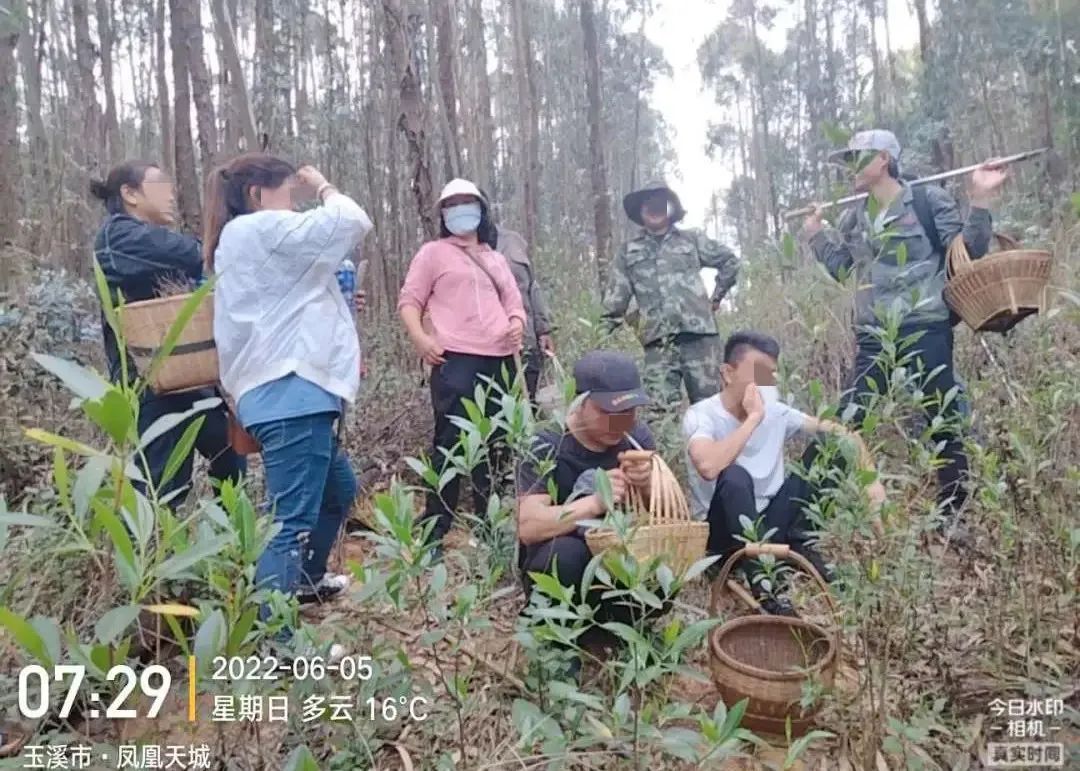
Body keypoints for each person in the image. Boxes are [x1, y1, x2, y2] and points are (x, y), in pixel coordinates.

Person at [800, 129, 1007, 527]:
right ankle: (809, 510)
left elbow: (969, 253)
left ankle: (954, 514)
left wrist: (980, 200)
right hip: (876, 333)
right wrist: (815, 237)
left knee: (942, 415)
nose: (851, 169)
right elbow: (847, 269)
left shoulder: (929, 202)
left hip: (926, 325)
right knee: (851, 414)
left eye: (858, 159)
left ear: (883, 160)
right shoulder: (852, 216)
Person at [206, 153, 372, 620]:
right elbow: (352, 219)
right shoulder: (257, 229)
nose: (293, 205)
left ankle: (304, 581)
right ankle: (275, 636)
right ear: (258, 194)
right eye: (287, 193)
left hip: (294, 394)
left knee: (339, 492)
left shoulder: (246, 237)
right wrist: (322, 186)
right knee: (290, 521)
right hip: (290, 395)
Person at [683, 331, 885, 612]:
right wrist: (753, 419)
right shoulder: (702, 415)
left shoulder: (776, 411)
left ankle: (799, 541)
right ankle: (766, 589)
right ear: (728, 374)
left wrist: (872, 483)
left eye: (769, 375)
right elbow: (708, 466)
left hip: (770, 525)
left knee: (830, 446)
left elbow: (843, 435)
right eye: (757, 374)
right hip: (724, 535)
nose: (764, 385)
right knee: (735, 476)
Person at [90, 161, 244, 505]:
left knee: (230, 455)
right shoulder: (119, 236)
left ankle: (233, 543)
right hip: (146, 382)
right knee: (162, 484)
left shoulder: (148, 238)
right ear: (129, 194)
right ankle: (152, 554)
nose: (171, 194)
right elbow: (195, 255)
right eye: (160, 184)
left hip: (183, 375)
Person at [398, 178, 527, 554]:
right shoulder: (433, 254)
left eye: (467, 202)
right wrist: (422, 339)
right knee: (451, 445)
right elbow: (410, 300)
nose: (460, 209)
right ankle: (436, 529)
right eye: (451, 204)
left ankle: (489, 527)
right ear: (443, 213)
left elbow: (513, 300)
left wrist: (517, 324)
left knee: (496, 445)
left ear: (481, 208)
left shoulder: (494, 256)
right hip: (456, 360)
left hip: (500, 360)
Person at [516, 350, 656, 629]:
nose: (619, 423)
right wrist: (594, 503)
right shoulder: (547, 443)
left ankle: (622, 629)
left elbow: (659, 518)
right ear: (579, 402)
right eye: (608, 412)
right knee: (565, 556)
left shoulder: (637, 439)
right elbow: (529, 526)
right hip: (561, 564)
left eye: (628, 412)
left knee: (660, 559)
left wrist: (648, 485)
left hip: (617, 558)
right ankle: (558, 641)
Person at [601, 180, 740, 415]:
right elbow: (615, 303)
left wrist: (716, 297)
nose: (654, 209)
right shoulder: (628, 252)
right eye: (648, 204)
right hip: (658, 345)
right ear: (641, 211)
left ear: (669, 208)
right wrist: (598, 343)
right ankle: (668, 453)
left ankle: (716, 452)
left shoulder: (691, 239)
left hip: (700, 340)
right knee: (659, 413)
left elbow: (729, 261)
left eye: (660, 203)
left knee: (713, 409)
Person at [497, 228, 556, 401]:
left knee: (529, 403)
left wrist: (543, 329)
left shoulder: (513, 240)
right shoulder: (455, 249)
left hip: (526, 340)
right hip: (487, 350)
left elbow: (532, 286)